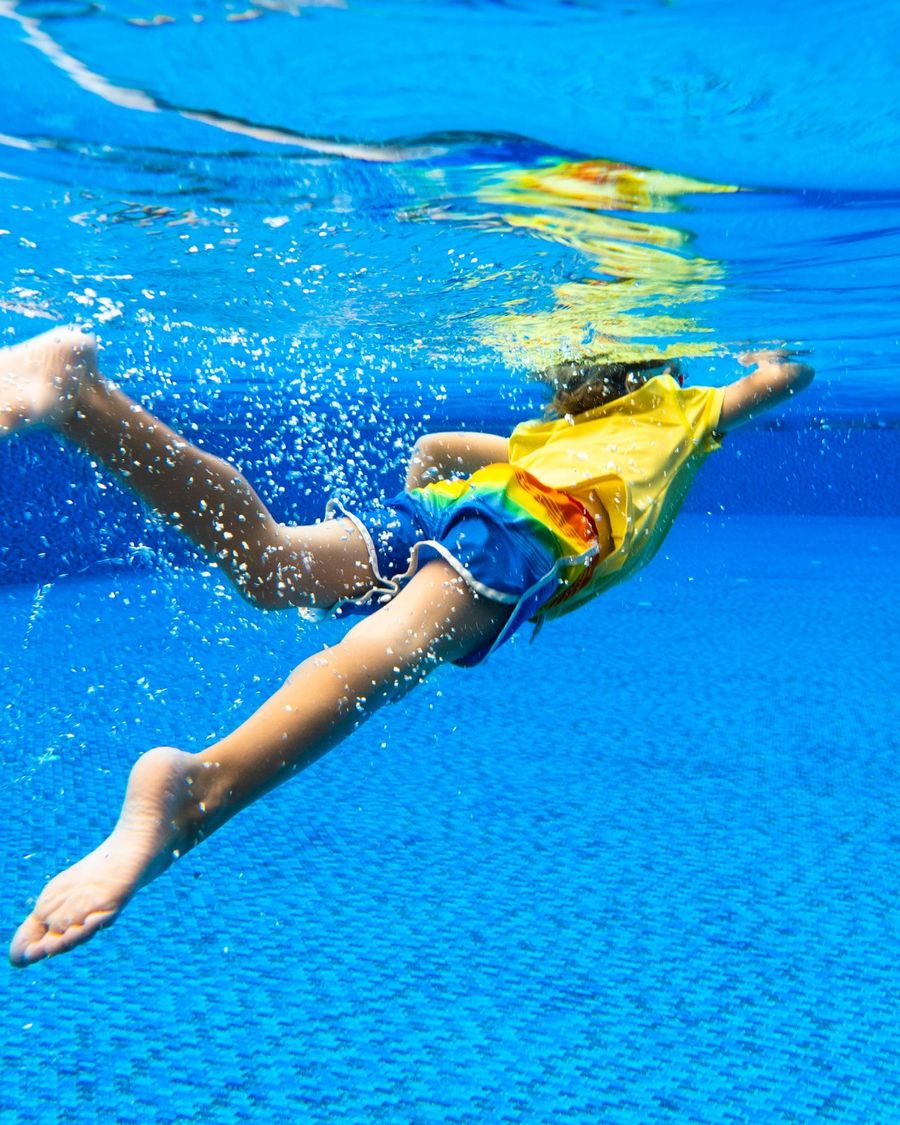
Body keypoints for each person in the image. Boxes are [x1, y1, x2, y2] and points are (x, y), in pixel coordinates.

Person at [0, 327, 814, 966]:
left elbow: (437, 453)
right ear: (659, 367)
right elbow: (783, 380)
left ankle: (84, 401)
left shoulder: (545, 438)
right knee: (377, 663)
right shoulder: (683, 413)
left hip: (462, 507)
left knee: (271, 563)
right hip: (536, 529)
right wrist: (764, 355)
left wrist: (429, 492)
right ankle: (197, 788)